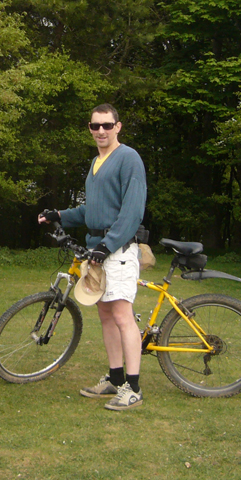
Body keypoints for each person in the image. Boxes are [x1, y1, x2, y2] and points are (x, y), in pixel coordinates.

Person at [38, 103, 147, 410]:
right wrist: (58, 214)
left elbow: (133, 211)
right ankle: (114, 379)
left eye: (106, 126)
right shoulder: (96, 162)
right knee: (105, 316)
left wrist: (107, 245)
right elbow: (91, 211)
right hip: (97, 250)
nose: (100, 131)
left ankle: (134, 387)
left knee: (123, 316)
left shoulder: (128, 158)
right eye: (94, 126)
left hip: (118, 250)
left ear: (118, 127)